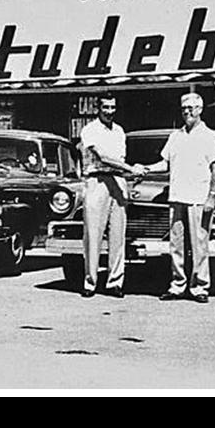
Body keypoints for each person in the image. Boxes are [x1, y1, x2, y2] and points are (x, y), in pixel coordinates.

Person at [137, 92, 215, 303]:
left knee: (199, 245)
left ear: (200, 109)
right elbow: (165, 163)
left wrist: (211, 196)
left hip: (198, 198)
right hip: (177, 197)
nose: (187, 112)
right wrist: (146, 168)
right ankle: (177, 285)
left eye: (192, 108)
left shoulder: (209, 136)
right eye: (184, 109)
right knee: (176, 245)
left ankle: (200, 287)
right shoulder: (175, 136)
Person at [78, 94, 137, 299]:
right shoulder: (89, 130)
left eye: (113, 107)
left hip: (118, 181)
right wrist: (131, 169)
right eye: (105, 107)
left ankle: (115, 282)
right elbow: (102, 157)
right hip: (97, 181)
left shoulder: (119, 131)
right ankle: (90, 282)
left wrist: (128, 173)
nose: (109, 111)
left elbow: (119, 158)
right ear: (98, 108)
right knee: (93, 234)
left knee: (118, 234)